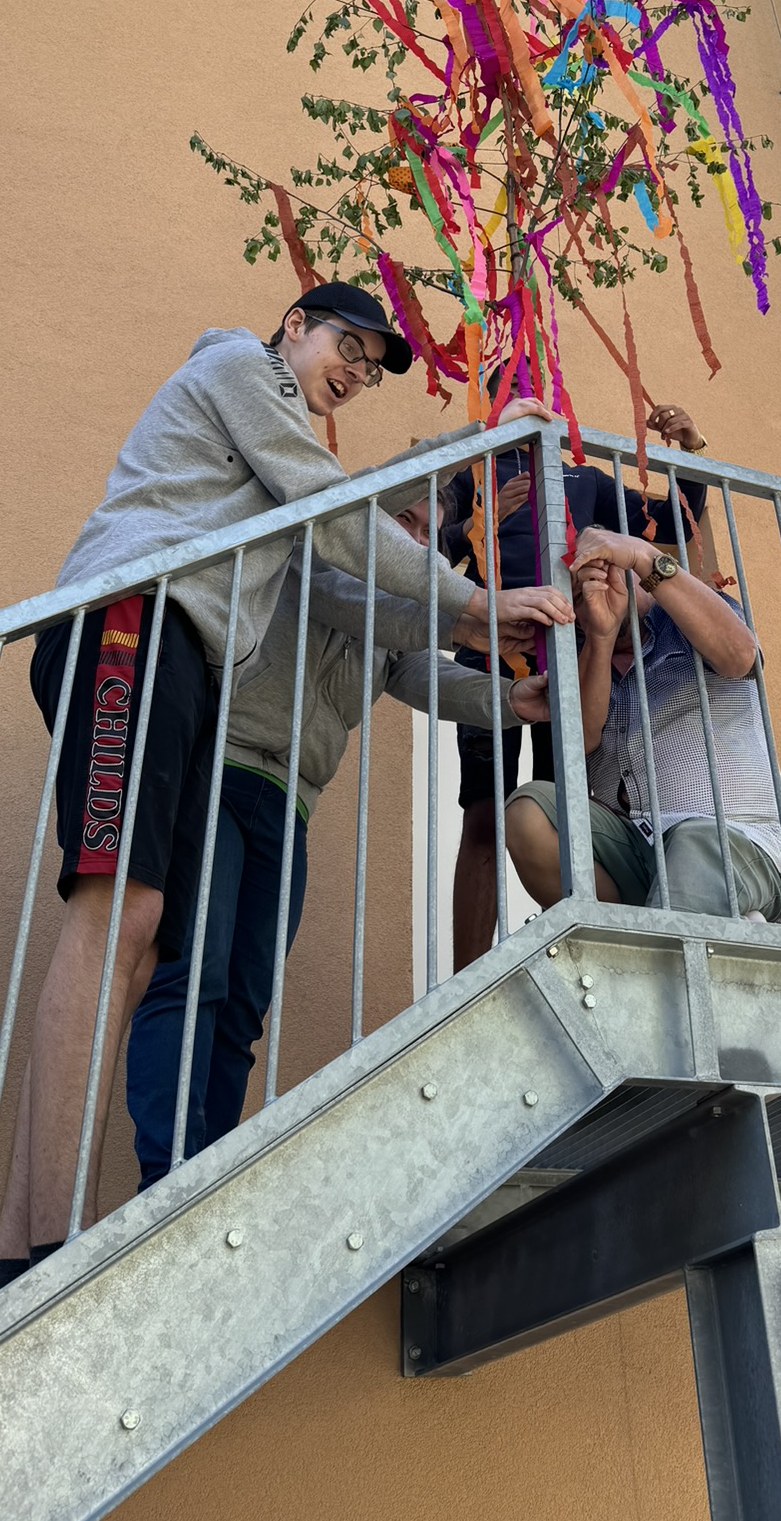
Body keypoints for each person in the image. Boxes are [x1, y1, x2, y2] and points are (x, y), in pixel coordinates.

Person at [0, 286, 571, 1298]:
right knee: (128, 927)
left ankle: (22, 1252)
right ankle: (61, 1244)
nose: (356, 372)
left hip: (190, 667)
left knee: (145, 939)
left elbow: (392, 630)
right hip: (135, 616)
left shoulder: (283, 472)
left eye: (372, 368)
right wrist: (476, 573)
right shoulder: (241, 371)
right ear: (294, 324)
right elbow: (344, 521)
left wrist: (505, 688)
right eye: (349, 345)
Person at [124, 486, 550, 1187]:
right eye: (404, 521)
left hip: (292, 801)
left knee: (243, 1001)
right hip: (219, 768)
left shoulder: (395, 618)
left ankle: (203, 1180)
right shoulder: (310, 551)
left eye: (429, 535)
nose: (417, 541)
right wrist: (463, 617)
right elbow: (350, 602)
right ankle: (164, 1175)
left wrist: (509, 700)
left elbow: (419, 672)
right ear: (369, 517)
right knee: (194, 973)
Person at [441, 399, 712, 967]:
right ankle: (467, 982)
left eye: (536, 388)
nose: (528, 401)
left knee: (568, 814)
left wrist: (690, 452)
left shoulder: (585, 478)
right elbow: (432, 552)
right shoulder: (474, 472)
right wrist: (479, 522)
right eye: (511, 387)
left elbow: (668, 523)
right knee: (484, 818)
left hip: (571, 658)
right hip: (488, 657)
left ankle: (580, 957)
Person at [504, 524, 781, 924]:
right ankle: (641, 929)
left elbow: (740, 656)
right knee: (529, 811)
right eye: (580, 590)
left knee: (695, 841)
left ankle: (656, 941)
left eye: (608, 571)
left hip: (739, 839)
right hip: (637, 851)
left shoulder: (688, 610)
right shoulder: (584, 661)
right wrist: (601, 635)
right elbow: (580, 742)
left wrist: (644, 556)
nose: (598, 591)